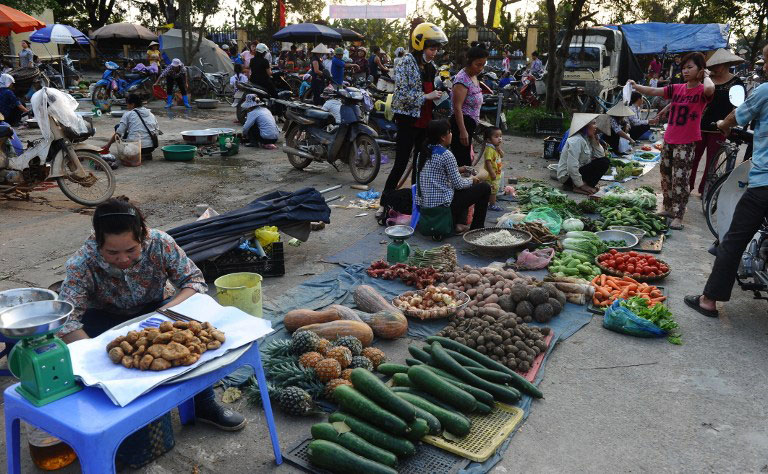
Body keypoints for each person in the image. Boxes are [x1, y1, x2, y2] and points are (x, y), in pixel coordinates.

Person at [57, 197, 246, 430]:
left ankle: (203, 404)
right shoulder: (82, 263)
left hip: (158, 307)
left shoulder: (160, 243)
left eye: (131, 250)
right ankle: (118, 417)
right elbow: (65, 319)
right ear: (98, 243)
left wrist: (167, 311)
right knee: (100, 366)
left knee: (190, 347)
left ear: (142, 236)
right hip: (105, 317)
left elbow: (194, 281)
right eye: (112, 252)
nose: (123, 259)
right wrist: (93, 355)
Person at [684, 44, 768, 319]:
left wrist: (724, 124)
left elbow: (737, 115)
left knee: (734, 239)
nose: (764, 67)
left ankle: (709, 300)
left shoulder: (763, 91)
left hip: (764, 182)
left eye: (766, 62)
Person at [629, 52, 715, 229]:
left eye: (690, 67)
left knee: (680, 178)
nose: (685, 71)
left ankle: (679, 215)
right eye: (684, 67)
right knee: (666, 176)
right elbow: (653, 91)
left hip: (686, 141)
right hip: (669, 138)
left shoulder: (701, 90)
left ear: (700, 70)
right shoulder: (677, 88)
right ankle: (668, 208)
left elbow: (709, 89)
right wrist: (636, 86)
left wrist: (706, 74)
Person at [383, 23, 447, 199]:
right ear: (420, 45)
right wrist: (427, 96)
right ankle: (385, 200)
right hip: (408, 119)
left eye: (436, 49)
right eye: (431, 49)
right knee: (402, 162)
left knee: (421, 162)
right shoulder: (406, 63)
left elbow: (433, 87)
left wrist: (441, 92)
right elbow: (402, 94)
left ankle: (416, 198)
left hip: (424, 119)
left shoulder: (430, 66)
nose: (434, 53)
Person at [416, 119, 490, 235]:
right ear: (443, 137)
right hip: (442, 207)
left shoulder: (423, 153)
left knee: (460, 189)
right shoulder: (446, 154)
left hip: (426, 206)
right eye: (449, 132)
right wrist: (473, 180)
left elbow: (437, 173)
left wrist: (462, 170)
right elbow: (459, 184)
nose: (451, 134)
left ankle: (458, 224)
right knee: (484, 188)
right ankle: (477, 228)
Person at [691, 49, 745, 193]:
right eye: (713, 65)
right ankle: (687, 186)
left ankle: (705, 189)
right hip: (699, 125)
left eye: (719, 65)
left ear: (727, 64)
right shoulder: (705, 79)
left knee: (712, 162)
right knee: (693, 158)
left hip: (720, 127)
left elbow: (737, 107)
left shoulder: (736, 83)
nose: (715, 68)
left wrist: (730, 126)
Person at [450, 45, 489, 167]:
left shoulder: (473, 75)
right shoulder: (462, 80)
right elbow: (457, 107)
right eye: (478, 64)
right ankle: (461, 186)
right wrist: (463, 131)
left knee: (466, 161)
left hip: (470, 123)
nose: (481, 68)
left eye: (483, 65)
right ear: (469, 62)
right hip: (462, 124)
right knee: (463, 163)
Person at [557, 113, 610, 195]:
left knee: (604, 161)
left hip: (577, 172)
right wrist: (581, 185)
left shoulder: (587, 138)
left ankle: (579, 185)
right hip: (568, 176)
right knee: (604, 162)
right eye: (593, 124)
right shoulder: (576, 140)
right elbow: (572, 166)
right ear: (585, 126)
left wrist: (594, 139)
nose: (596, 127)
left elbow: (601, 156)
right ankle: (577, 186)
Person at [101, 94, 159, 161]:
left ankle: (134, 154)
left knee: (118, 127)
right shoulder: (151, 114)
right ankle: (146, 154)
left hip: (134, 148)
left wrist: (108, 145)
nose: (127, 106)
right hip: (150, 147)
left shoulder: (128, 114)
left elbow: (119, 133)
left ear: (132, 104)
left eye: (128, 104)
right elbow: (156, 131)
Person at [481, 127, 504, 211]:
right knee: (493, 190)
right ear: (489, 140)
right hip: (491, 175)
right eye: (496, 136)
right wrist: (492, 173)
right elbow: (488, 162)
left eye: (500, 136)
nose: (500, 138)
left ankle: (489, 202)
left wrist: (499, 149)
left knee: (494, 189)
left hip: (496, 173)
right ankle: (492, 205)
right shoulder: (489, 149)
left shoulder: (495, 147)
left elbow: (502, 155)